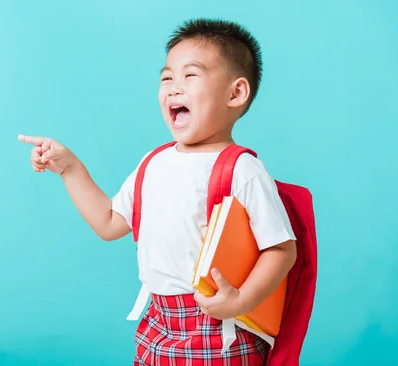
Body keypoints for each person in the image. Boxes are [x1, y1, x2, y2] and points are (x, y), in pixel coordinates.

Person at [19, 18, 297, 366]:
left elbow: (282, 249)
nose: (173, 87)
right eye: (167, 77)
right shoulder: (154, 162)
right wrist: (70, 169)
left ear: (235, 93)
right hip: (158, 320)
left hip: (218, 326)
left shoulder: (242, 170)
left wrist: (240, 300)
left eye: (190, 75)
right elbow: (109, 224)